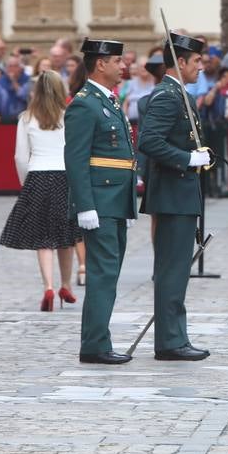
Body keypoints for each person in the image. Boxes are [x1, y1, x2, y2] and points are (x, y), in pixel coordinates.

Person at [137, 33, 214, 361]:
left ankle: (175, 335)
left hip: (181, 194)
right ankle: (170, 341)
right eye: (196, 61)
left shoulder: (180, 95)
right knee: (171, 269)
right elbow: (149, 141)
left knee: (178, 269)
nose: (201, 66)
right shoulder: (167, 97)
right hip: (171, 195)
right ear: (179, 63)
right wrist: (187, 159)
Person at [65, 39, 137, 364]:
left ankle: (98, 340)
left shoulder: (106, 100)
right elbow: (76, 159)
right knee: (103, 273)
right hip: (99, 201)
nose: (123, 66)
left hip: (114, 199)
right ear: (100, 64)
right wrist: (85, 205)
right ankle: (95, 345)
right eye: (118, 61)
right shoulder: (85, 104)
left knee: (109, 272)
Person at [0, 70, 82, 312]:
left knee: (43, 239)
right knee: (67, 237)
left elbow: (20, 156)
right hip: (64, 176)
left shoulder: (26, 118)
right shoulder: (70, 116)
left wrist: (26, 182)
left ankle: (48, 286)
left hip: (37, 176)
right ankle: (66, 284)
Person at [0, 55, 30, 124]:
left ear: (20, 68)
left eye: (15, 66)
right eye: (9, 66)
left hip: (23, 119)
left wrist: (14, 81)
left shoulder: (27, 80)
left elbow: (24, 96)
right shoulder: (0, 82)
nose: (12, 69)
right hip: (4, 119)